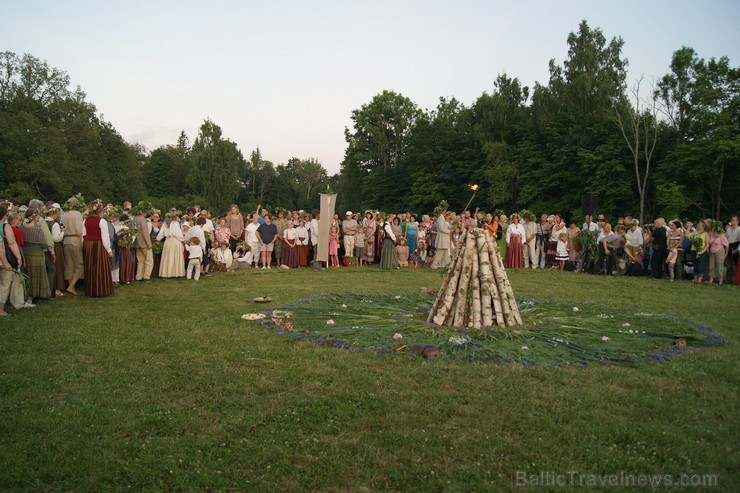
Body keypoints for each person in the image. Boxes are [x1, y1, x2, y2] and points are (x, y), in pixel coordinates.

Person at [82, 200, 114, 297]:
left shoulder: (85, 221)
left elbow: (83, 235)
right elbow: (105, 237)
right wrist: (109, 250)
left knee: (90, 267)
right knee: (100, 267)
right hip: (98, 245)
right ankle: (101, 290)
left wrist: (84, 246)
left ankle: (91, 289)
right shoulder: (102, 221)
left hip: (88, 245)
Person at [21, 208, 52, 301]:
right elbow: (43, 243)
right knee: (37, 274)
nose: (39, 217)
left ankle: (29, 294)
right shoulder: (37, 229)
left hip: (26, 252)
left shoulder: (22, 227)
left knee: (29, 274)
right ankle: (38, 293)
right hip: (36, 253)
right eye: (38, 215)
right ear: (34, 216)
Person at [156, 210, 185, 278]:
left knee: (167, 257)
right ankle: (175, 273)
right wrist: (183, 240)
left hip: (168, 241)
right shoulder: (176, 223)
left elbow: (161, 233)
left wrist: (158, 240)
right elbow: (178, 234)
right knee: (175, 257)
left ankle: (166, 273)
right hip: (175, 241)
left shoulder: (165, 224)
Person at [45, 205, 66, 296]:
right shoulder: (54, 224)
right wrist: (63, 232)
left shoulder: (44, 222)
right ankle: (57, 289)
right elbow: (56, 238)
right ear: (53, 214)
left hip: (46, 248)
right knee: (57, 267)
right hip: (56, 247)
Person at [133, 202, 153, 281]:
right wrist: (149, 244)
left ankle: (138, 276)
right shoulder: (143, 219)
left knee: (140, 261)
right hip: (144, 243)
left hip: (137, 243)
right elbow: (145, 233)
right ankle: (146, 276)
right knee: (149, 260)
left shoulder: (134, 218)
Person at [430, 205, 451, 269]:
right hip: (442, 238)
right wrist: (449, 231)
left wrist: (451, 227)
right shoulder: (441, 218)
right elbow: (442, 229)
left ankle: (445, 264)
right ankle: (434, 265)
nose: (445, 211)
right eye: (444, 210)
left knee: (445, 252)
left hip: (444, 237)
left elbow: (445, 227)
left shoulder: (442, 218)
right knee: (440, 252)